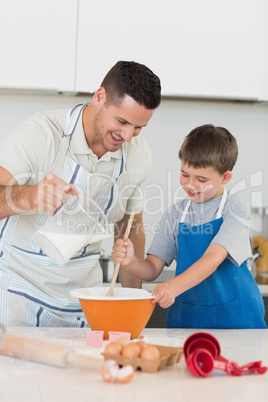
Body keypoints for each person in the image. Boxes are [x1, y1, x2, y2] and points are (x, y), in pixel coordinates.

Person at [0, 60, 161, 326]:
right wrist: (29, 197)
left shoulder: (137, 155)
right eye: (121, 121)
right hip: (17, 298)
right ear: (100, 97)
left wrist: (133, 306)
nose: (128, 136)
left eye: (138, 127)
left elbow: (130, 229)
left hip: (84, 306)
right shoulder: (42, 134)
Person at [112, 124, 266, 329]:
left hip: (236, 318)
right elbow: (152, 268)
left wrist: (172, 287)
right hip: (188, 319)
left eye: (201, 179)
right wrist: (131, 261)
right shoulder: (175, 214)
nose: (190, 184)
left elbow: (212, 259)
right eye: (185, 174)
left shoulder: (235, 208)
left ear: (225, 177)